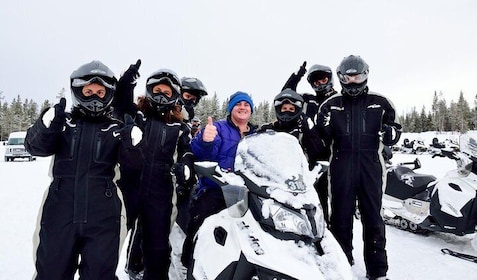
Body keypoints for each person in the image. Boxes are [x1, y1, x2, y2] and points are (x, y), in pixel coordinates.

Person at [25, 60, 142, 280]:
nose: (94, 97)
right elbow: (35, 147)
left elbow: (134, 168)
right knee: (50, 271)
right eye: (88, 91)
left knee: (100, 274)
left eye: (100, 92)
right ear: (77, 92)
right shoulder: (64, 123)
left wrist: (133, 146)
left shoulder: (116, 128)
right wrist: (45, 127)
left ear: (109, 94)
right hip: (60, 208)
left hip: (104, 212)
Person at [316, 55, 402, 280]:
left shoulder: (381, 102)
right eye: (348, 77)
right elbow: (322, 140)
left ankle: (378, 272)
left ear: (365, 75)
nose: (353, 81)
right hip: (341, 166)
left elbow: (394, 129)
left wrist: (392, 133)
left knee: (373, 219)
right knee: (340, 219)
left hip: (371, 166)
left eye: (357, 76)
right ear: (341, 77)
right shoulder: (330, 105)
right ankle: (342, 266)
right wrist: (321, 128)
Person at [129, 68, 196, 279]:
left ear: (174, 96)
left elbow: (187, 151)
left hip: (161, 190)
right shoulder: (137, 117)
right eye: (157, 90)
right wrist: (126, 85)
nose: (161, 95)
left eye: (167, 92)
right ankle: (131, 267)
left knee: (157, 247)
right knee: (109, 239)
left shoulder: (179, 126)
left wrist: (186, 165)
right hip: (131, 185)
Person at [181, 91, 256, 268]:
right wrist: (205, 141)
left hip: (248, 192)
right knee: (202, 223)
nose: (242, 107)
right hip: (217, 188)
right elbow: (202, 153)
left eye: (246, 104)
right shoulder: (219, 128)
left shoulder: (255, 134)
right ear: (231, 109)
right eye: (238, 104)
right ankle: (191, 262)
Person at [282, 61, 338, 224]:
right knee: (315, 200)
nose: (320, 84)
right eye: (316, 81)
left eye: (323, 80)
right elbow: (287, 94)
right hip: (312, 158)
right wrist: (296, 76)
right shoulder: (308, 100)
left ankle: (336, 238)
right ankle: (319, 230)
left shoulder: (340, 100)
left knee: (339, 202)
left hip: (337, 155)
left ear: (330, 79)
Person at [257, 88, 325, 170]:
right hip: (273, 175)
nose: (287, 111)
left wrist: (310, 132)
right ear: (279, 110)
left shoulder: (303, 129)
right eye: (284, 108)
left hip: (301, 175)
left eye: (291, 109)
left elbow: (318, 153)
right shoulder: (269, 129)